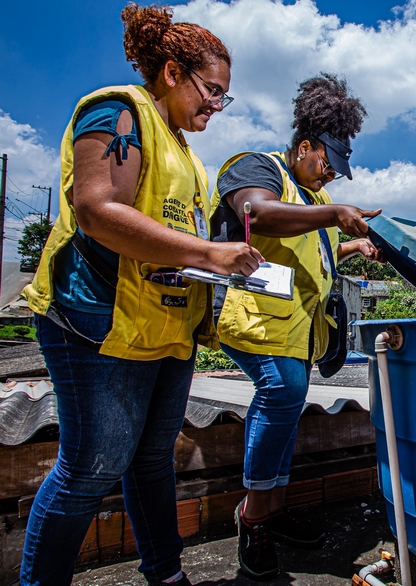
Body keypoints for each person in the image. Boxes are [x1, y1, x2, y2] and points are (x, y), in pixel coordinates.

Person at [20, 4, 263, 585]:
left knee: (153, 461)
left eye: (223, 96)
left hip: (164, 328)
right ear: (173, 73)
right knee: (90, 468)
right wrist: (208, 255)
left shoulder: (186, 153)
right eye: (212, 90)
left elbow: (170, 237)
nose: (216, 105)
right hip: (98, 321)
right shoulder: (118, 112)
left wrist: (215, 266)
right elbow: (98, 211)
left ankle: (167, 574)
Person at [210, 73, 382, 580]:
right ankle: (253, 518)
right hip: (252, 316)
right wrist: (335, 213)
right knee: (281, 391)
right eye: (326, 163)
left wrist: (350, 246)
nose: (329, 177)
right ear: (304, 147)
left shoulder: (308, 202)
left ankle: (275, 510)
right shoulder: (257, 168)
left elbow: (311, 254)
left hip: (295, 328)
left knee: (289, 404)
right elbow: (259, 216)